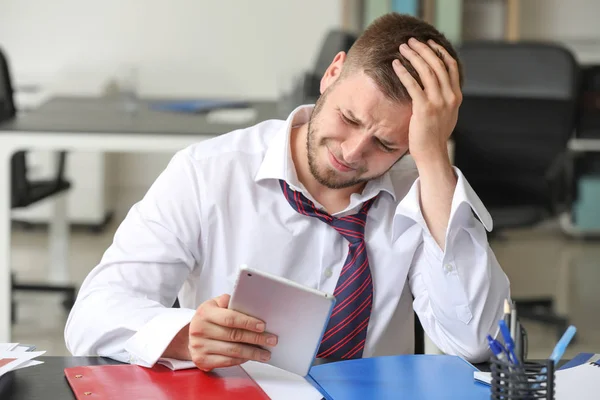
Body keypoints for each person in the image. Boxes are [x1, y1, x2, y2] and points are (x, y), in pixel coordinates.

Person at [65, 13, 510, 371]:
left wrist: (432, 159)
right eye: (349, 119)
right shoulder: (208, 174)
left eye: (386, 144)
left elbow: (474, 342)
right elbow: (92, 315)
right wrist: (181, 335)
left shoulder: (420, 191)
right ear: (332, 73)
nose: (353, 153)